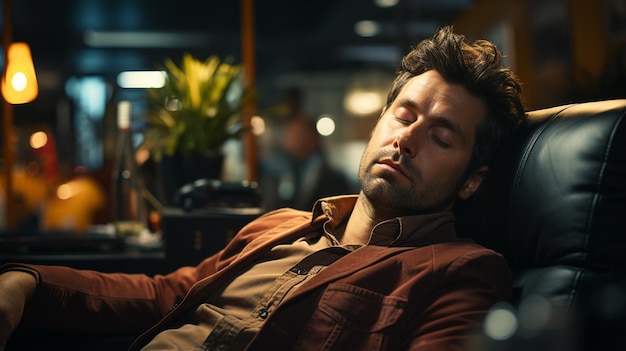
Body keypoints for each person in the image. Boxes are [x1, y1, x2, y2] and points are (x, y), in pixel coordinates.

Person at [0, 25, 525, 351]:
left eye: (440, 136)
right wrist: (29, 281)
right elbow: (168, 295)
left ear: (471, 180)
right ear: (378, 123)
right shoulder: (278, 226)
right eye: (403, 115)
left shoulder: (460, 272)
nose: (407, 140)